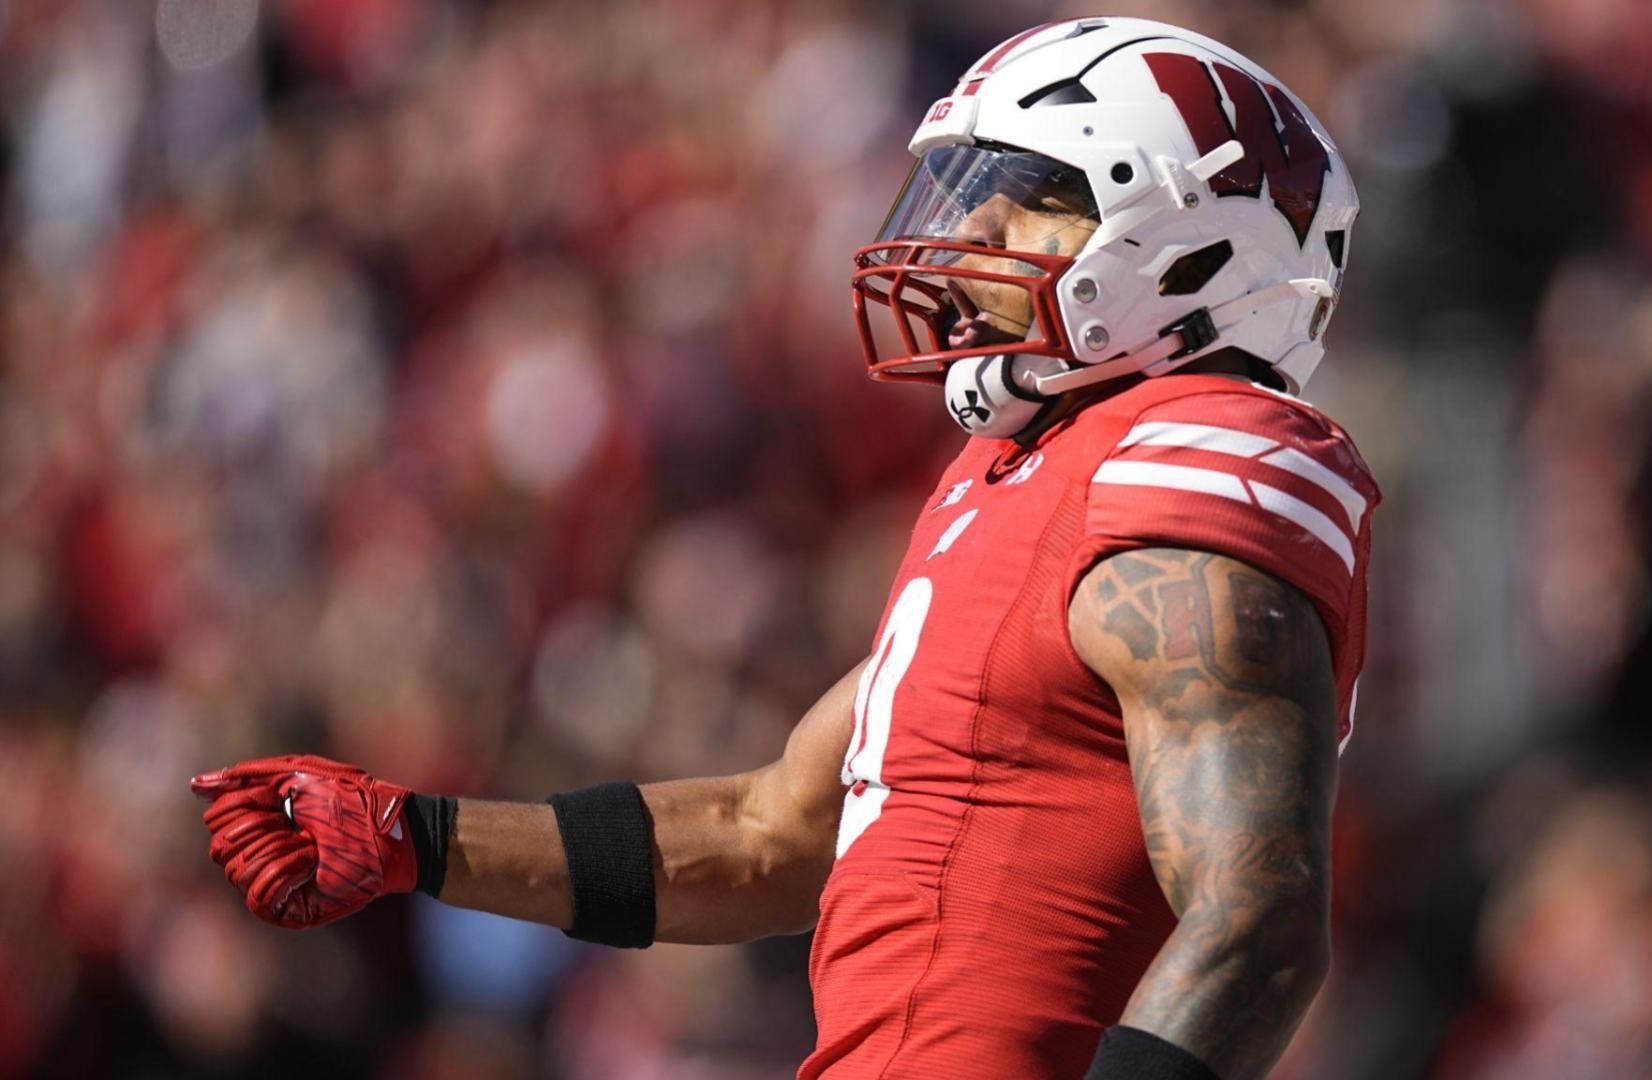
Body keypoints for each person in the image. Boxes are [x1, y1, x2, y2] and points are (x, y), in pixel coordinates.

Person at [192, 18, 1376, 1080]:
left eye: (1034, 191)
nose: (969, 227)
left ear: (1187, 240)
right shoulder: (1013, 479)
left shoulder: (1195, 458)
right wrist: (415, 838)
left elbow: (1257, 922)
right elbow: (769, 834)